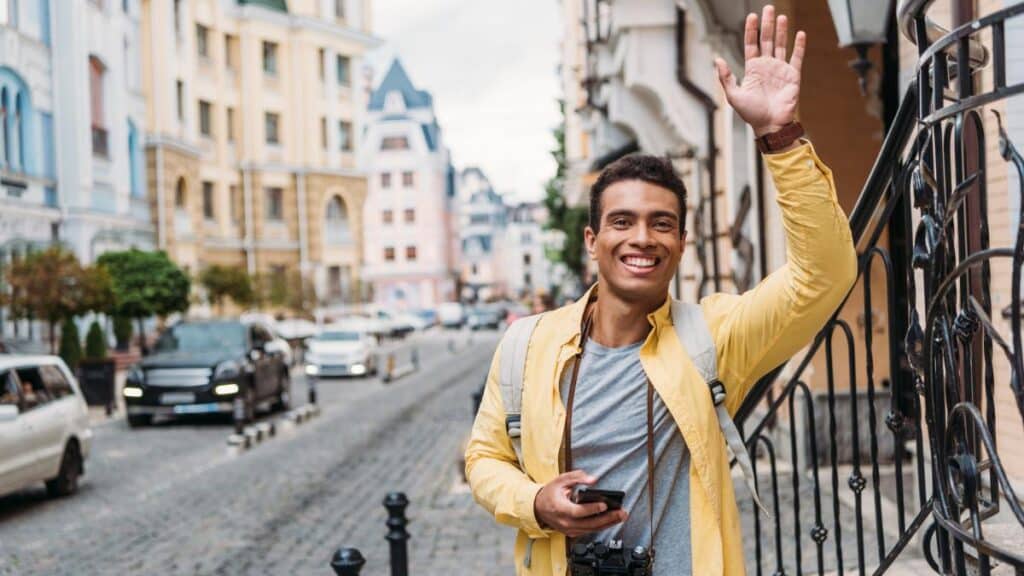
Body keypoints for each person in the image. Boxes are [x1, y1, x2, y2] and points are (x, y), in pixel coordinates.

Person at [465, 5, 858, 576]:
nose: (642, 238)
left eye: (662, 223)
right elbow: (484, 458)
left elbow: (824, 272)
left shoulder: (713, 337)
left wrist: (779, 137)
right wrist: (536, 503)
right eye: (622, 222)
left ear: (681, 242)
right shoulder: (527, 346)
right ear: (592, 240)